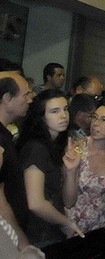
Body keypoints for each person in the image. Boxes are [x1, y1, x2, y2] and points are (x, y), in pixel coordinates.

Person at [17, 89, 83, 248]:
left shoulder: (60, 144)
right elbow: (35, 202)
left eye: (65, 109)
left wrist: (71, 171)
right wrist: (66, 223)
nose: (63, 115)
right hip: (37, 233)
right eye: (55, 111)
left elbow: (69, 201)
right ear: (41, 116)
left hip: (52, 229)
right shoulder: (36, 148)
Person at [62, 101, 105, 234]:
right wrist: (71, 171)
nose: (96, 123)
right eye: (95, 117)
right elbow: (68, 202)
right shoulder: (78, 149)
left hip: (102, 227)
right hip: (74, 226)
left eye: (104, 120)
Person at [0, 71, 37, 254]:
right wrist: (22, 243)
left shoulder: (6, 136)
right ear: (7, 98)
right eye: (25, 95)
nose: (30, 100)